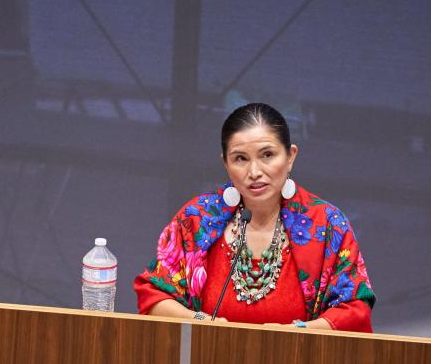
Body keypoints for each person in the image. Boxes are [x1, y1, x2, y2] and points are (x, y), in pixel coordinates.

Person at [134, 103, 375, 331]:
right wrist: (200, 322)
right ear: (226, 164)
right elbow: (155, 295)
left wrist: (298, 333)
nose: (255, 172)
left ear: (290, 156)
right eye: (240, 158)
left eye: (267, 155)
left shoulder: (328, 224)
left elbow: (354, 308)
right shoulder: (197, 219)